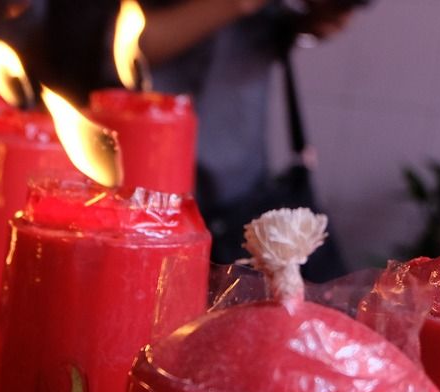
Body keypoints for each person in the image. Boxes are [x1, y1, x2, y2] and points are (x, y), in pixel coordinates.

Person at [141, 0, 358, 278]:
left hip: (240, 179)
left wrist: (312, 18)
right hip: (150, 181)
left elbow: (270, 30)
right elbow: (119, 45)